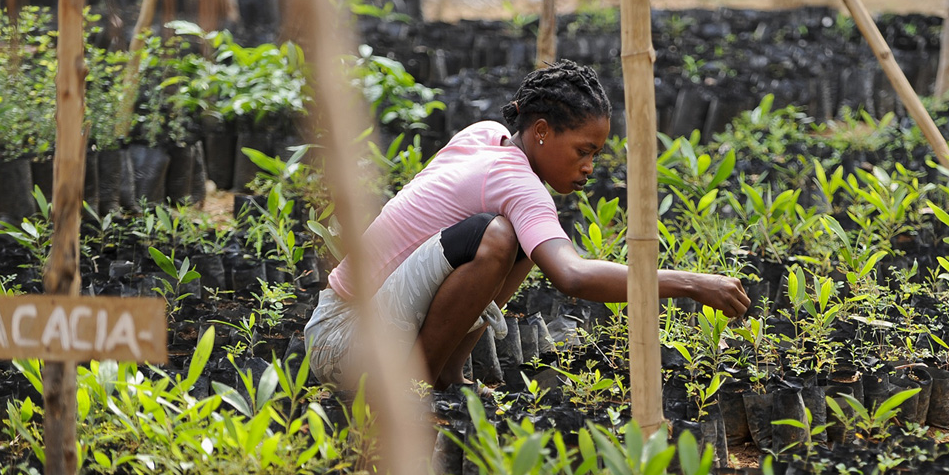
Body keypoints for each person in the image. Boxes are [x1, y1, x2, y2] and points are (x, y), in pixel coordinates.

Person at [304, 60, 750, 389]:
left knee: (513, 239)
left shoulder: (485, 135)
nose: (590, 167)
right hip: (347, 341)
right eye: (583, 151)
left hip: (342, 330)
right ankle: (417, 390)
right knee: (496, 236)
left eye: (595, 154)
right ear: (540, 131)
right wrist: (691, 284)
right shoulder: (516, 182)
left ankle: (446, 377)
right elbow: (572, 276)